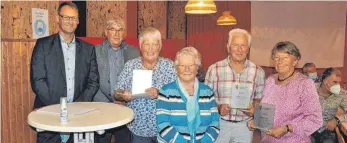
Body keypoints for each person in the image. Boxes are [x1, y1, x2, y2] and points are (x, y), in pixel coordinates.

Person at [30, 2, 99, 143]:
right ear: (58, 18)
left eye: (73, 18)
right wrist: (59, 108)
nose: (70, 21)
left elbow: (93, 81)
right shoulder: (43, 45)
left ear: (78, 21)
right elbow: (37, 80)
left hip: (79, 116)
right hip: (49, 113)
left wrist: (76, 107)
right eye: (66, 17)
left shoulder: (88, 49)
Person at [247, 41, 323, 143]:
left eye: (285, 58)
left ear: (295, 61)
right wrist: (256, 121)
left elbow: (315, 120)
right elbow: (266, 110)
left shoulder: (305, 84)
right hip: (267, 140)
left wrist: (287, 128)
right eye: (277, 58)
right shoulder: (270, 81)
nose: (280, 62)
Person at [114, 27, 176, 143]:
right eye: (147, 44)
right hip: (138, 128)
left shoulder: (169, 66)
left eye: (155, 44)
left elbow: (179, 94)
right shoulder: (131, 66)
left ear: (160, 46)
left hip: (165, 128)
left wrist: (160, 93)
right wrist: (123, 94)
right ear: (141, 46)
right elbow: (116, 93)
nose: (151, 49)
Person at [205, 28, 265, 143]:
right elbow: (206, 100)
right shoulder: (215, 69)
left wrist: (254, 110)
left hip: (245, 127)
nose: (239, 50)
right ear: (228, 47)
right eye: (235, 45)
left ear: (248, 48)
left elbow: (260, 100)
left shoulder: (258, 72)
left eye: (243, 45)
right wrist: (218, 108)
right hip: (219, 125)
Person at [156, 47, 220, 143]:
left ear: (197, 68)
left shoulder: (207, 92)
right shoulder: (166, 91)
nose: (187, 69)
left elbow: (215, 123)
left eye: (191, 65)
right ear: (176, 68)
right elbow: (163, 124)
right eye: (182, 65)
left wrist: (205, 141)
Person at [93, 17, 140, 143]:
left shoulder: (133, 51)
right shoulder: (95, 51)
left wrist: (125, 99)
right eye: (113, 29)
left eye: (120, 30)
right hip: (102, 107)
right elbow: (91, 80)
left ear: (124, 33)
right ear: (106, 32)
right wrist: (109, 102)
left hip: (125, 107)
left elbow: (138, 79)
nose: (116, 33)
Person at [311, 68, 347, 143]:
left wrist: (337, 120)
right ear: (324, 81)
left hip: (327, 130)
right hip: (308, 127)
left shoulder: (341, 94)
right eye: (334, 82)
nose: (337, 85)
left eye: (339, 82)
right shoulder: (310, 89)